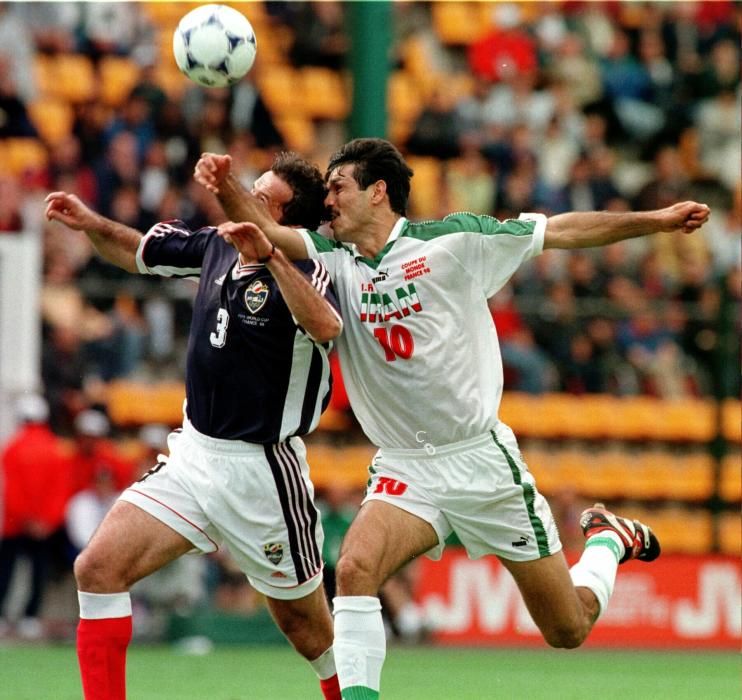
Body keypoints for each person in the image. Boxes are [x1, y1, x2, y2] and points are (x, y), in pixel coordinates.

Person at [194, 138, 711, 698]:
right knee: (355, 569)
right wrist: (225, 187)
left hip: (481, 464)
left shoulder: (455, 241)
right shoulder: (331, 257)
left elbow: (561, 230)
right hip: (407, 467)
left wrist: (656, 221)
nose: (328, 202)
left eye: (338, 187)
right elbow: (265, 233)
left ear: (378, 191)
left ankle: (607, 540)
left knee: (568, 627)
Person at [44, 151, 344, 700]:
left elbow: (327, 325)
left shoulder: (311, 267)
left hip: (263, 473)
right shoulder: (215, 245)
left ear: (282, 212)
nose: (246, 195)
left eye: (261, 191)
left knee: (311, 634)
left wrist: (272, 254)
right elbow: (136, 251)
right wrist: (90, 224)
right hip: (195, 456)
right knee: (98, 568)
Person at [0, 394, 71, 640]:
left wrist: (25, 517)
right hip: (44, 527)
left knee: (6, 570)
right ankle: (30, 617)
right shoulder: (56, 450)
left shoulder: (12, 449)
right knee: (37, 572)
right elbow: (60, 491)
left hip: (15, 524)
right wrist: (46, 521)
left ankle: (2, 615)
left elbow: (12, 490)